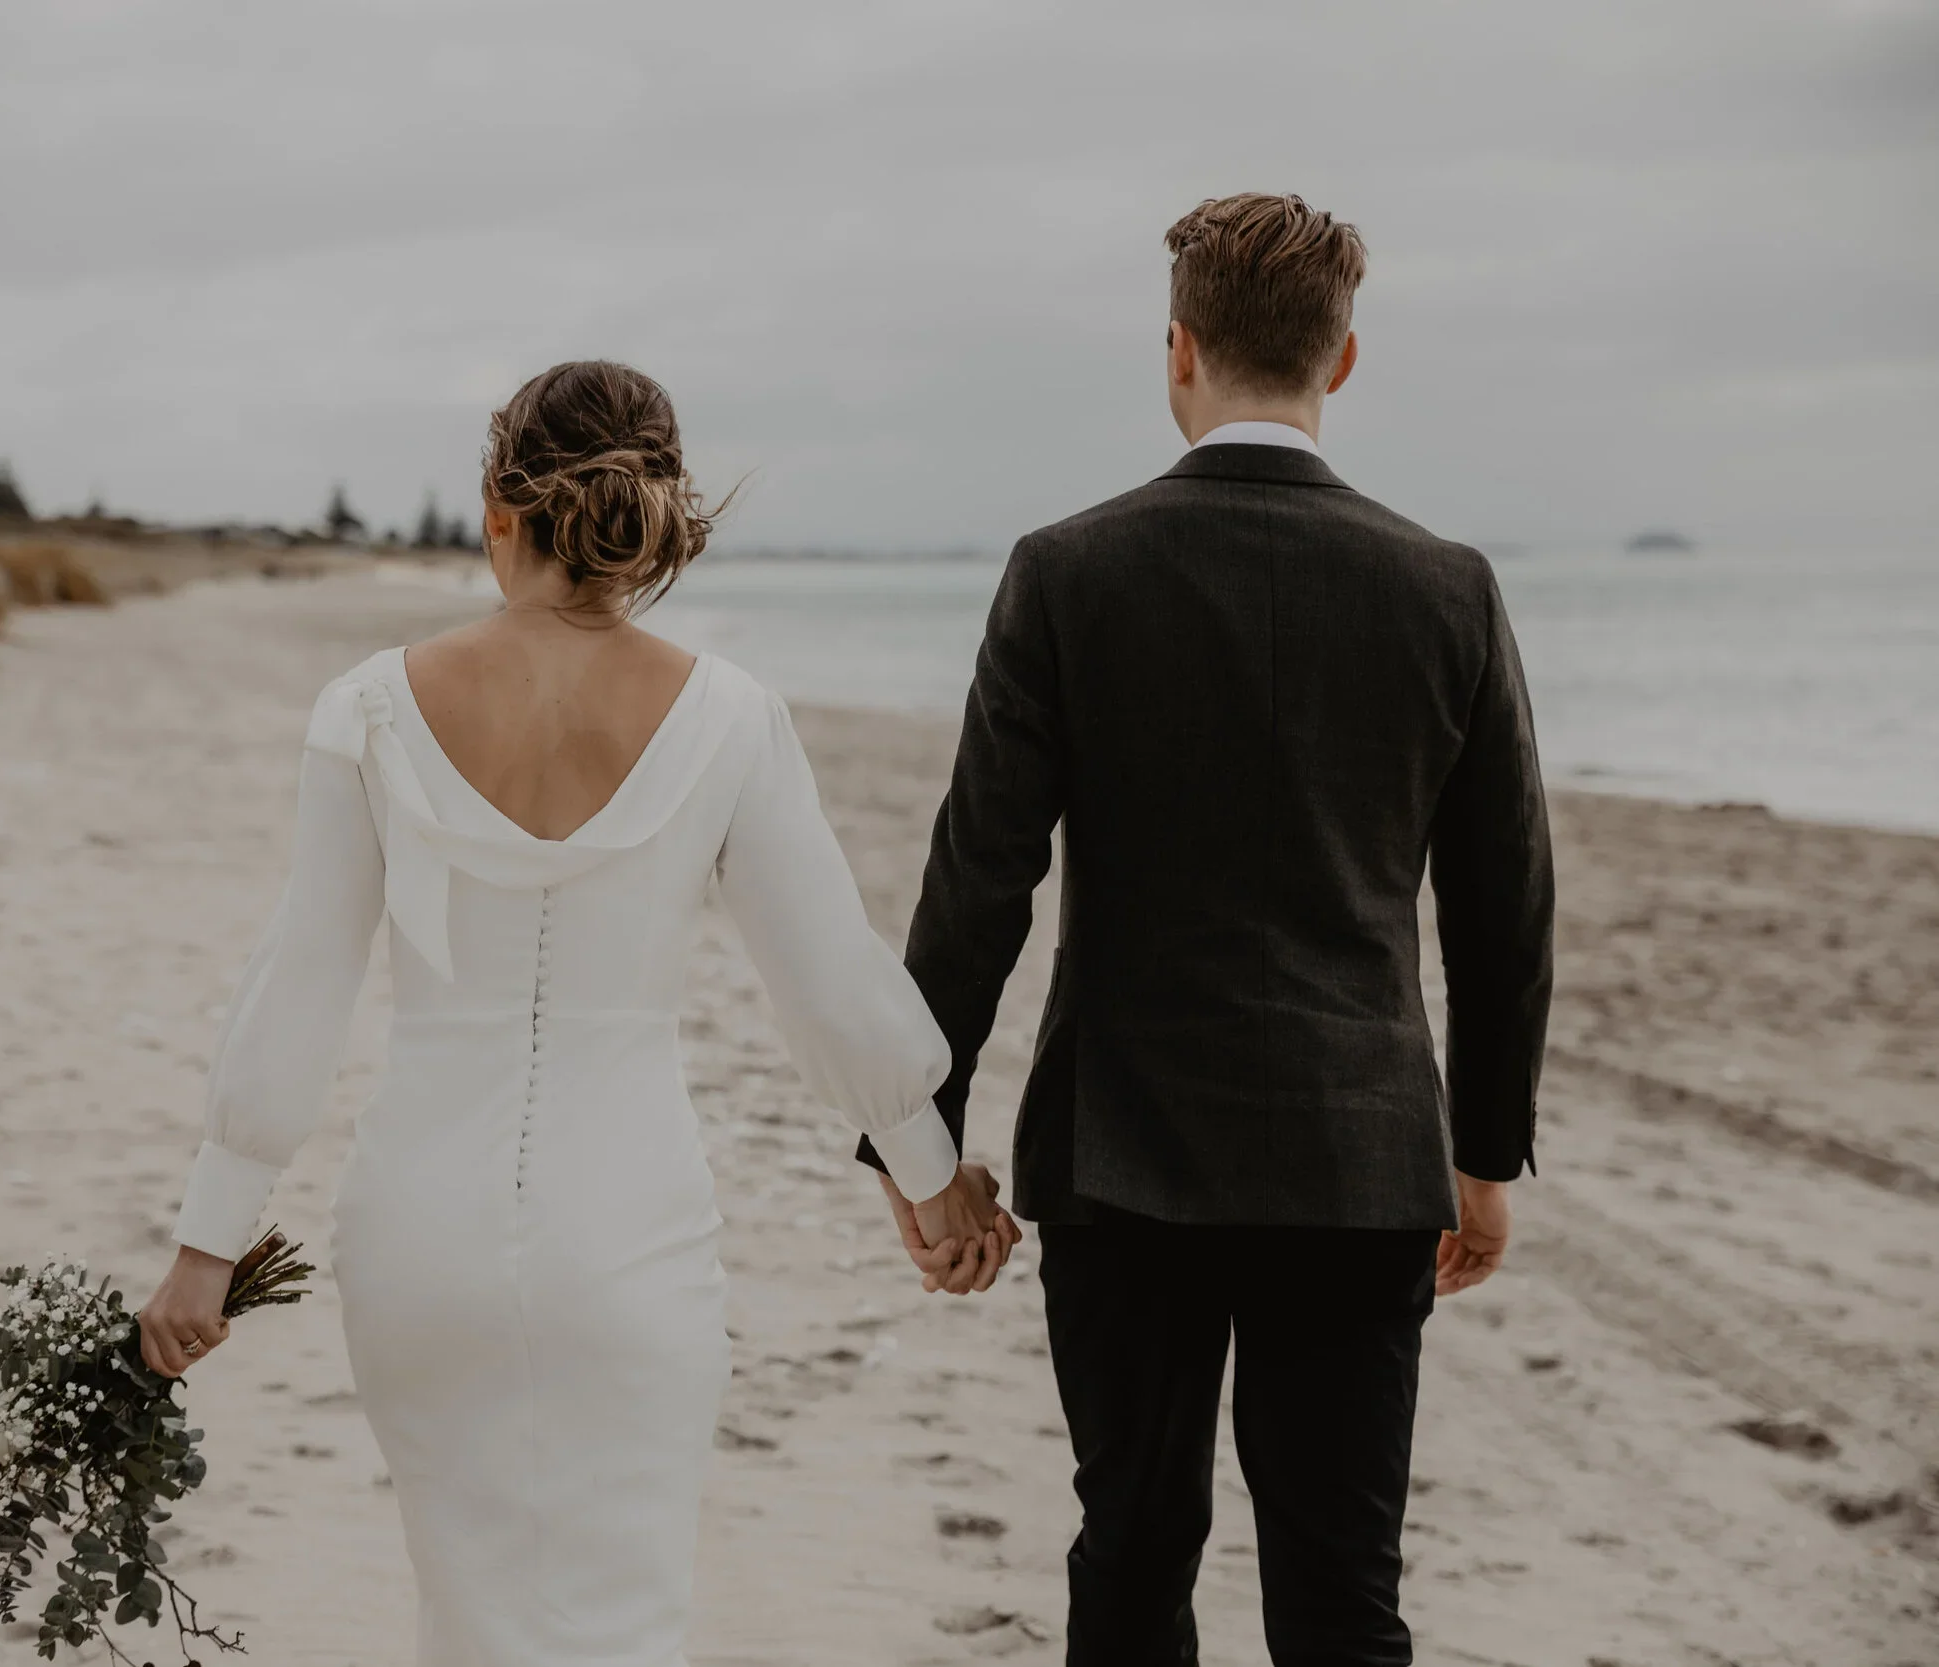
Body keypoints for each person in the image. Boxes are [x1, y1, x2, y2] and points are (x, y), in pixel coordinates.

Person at [135, 360, 1018, 1665]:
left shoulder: (369, 709)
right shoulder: (732, 716)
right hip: (629, 1232)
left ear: (500, 508)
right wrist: (934, 1183)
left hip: (418, 1232)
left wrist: (207, 1245)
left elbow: (300, 984)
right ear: (657, 519)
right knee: (622, 1618)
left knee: (470, 1615)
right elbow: (832, 990)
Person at [867, 194, 1555, 1664]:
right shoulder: (1451, 589)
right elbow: (1505, 910)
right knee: (1340, 1588)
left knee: (1131, 1547)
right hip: (1361, 1159)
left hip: (1123, 1159)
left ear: (1174, 352)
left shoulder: (1067, 572)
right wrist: (1484, 1153)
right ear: (1344, 362)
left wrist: (916, 1145)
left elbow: (978, 882)